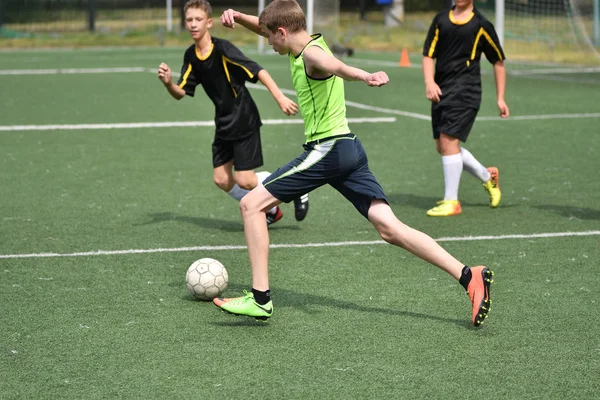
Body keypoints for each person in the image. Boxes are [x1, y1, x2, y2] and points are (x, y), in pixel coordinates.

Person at [213, 0, 494, 327]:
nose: (267, 43)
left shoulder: (313, 56)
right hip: (349, 150)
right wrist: (239, 17)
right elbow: (270, 29)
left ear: (282, 32)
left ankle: (260, 298)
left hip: (327, 151)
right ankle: (467, 276)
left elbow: (335, 67)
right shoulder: (303, 43)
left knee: (250, 205)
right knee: (390, 229)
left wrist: (364, 75)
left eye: (270, 37)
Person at [157, 0, 309, 226]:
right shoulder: (191, 55)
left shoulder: (223, 49)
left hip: (243, 117)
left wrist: (280, 98)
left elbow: (258, 70)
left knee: (245, 180)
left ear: (209, 22)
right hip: (224, 122)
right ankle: (271, 211)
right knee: (221, 179)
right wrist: (169, 83)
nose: (193, 24)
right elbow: (181, 92)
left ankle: (295, 186)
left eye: (198, 19)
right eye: (189, 19)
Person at [422, 0, 509, 217]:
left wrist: (500, 98)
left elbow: (498, 62)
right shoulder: (441, 19)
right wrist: (429, 82)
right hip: (441, 91)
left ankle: (452, 202)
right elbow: (427, 55)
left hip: (466, 91)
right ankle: (488, 178)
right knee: (443, 147)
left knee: (449, 141)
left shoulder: (481, 24)